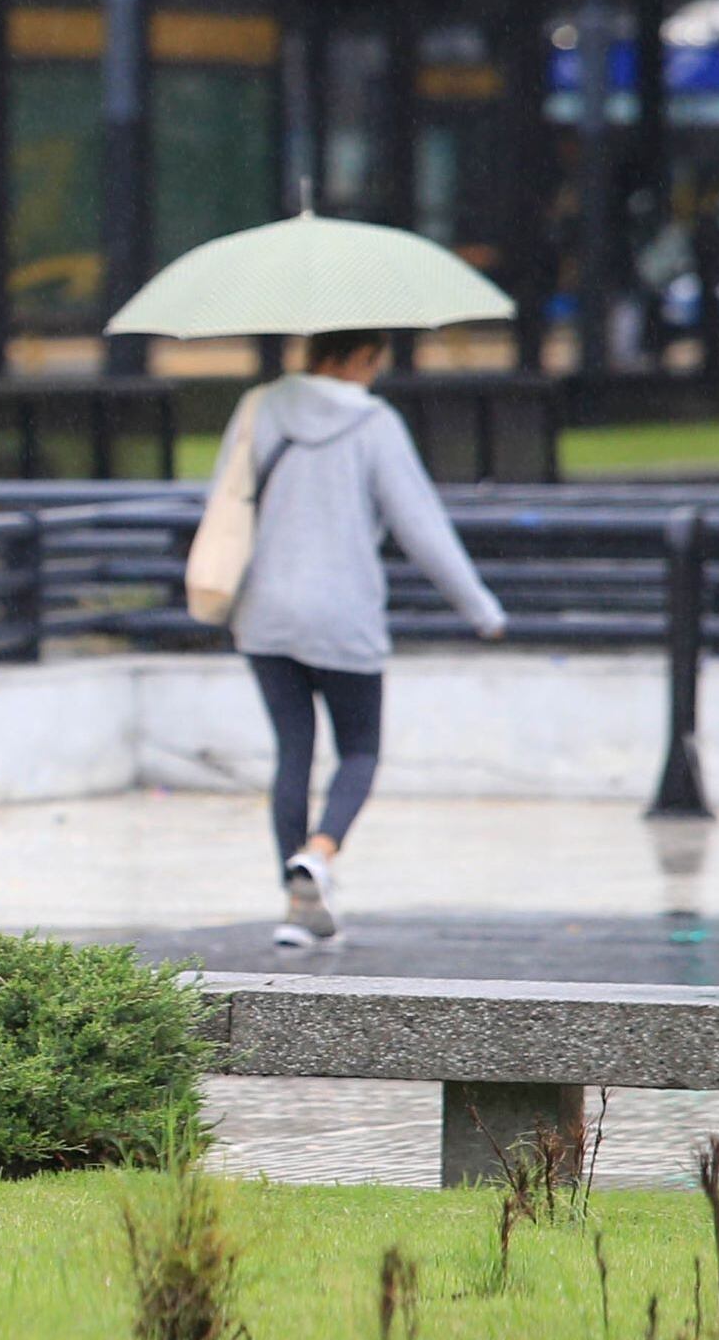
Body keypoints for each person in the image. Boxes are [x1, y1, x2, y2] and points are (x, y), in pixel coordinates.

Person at [207, 330, 507, 949]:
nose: (373, 377)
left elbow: (224, 499)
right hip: (343, 614)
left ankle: (298, 905)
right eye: (373, 364)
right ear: (353, 359)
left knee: (293, 751)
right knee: (360, 750)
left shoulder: (259, 406)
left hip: (264, 611)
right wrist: (479, 607)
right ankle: (319, 853)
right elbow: (419, 524)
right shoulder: (375, 423)